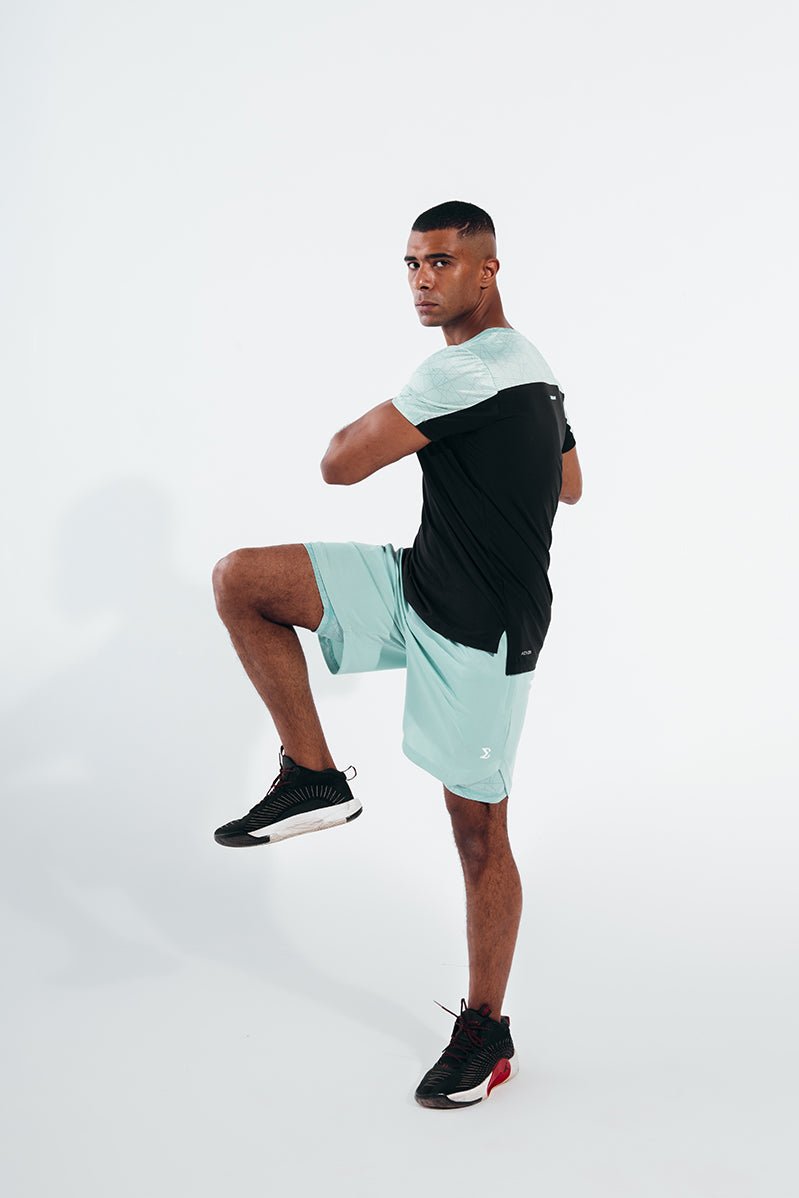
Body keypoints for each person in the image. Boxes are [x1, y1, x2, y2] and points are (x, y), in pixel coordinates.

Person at [212, 200, 583, 1109]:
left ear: (487, 269)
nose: (422, 280)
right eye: (411, 264)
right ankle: (313, 776)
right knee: (244, 581)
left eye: (441, 262)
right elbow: (570, 482)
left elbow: (339, 463)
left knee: (477, 832)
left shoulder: (465, 369)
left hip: (482, 631)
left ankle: (486, 1031)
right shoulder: (530, 367)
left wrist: (430, 414)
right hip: (420, 581)